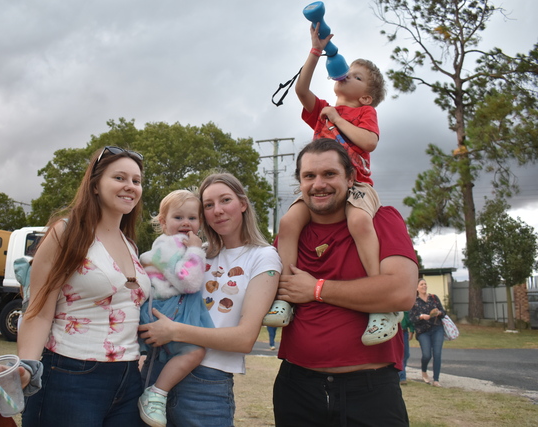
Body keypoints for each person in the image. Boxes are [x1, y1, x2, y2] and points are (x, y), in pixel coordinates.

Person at [269, 22, 399, 346]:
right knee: (288, 223)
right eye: (347, 71)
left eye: (356, 76)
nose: (347, 75)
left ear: (366, 95)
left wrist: (338, 119)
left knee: (359, 221)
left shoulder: (364, 112)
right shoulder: (323, 109)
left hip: (357, 185)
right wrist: (315, 50)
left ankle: (380, 304)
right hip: (319, 188)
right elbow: (301, 91)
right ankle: (284, 296)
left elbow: (369, 142)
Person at [272, 139, 418, 426]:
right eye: (309, 176)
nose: (319, 184)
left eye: (330, 174)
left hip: (370, 391)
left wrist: (316, 289)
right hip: (297, 386)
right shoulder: (290, 233)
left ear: (350, 178)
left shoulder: (381, 219)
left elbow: (401, 292)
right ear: (300, 183)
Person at [17, 146, 150, 427]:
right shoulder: (66, 233)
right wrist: (27, 365)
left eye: (136, 181)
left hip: (128, 379)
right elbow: (38, 312)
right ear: (95, 185)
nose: (130, 186)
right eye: (120, 178)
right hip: (70, 375)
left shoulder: (130, 244)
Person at [139, 172, 282, 427]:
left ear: (243, 204)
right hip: (156, 369)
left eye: (225, 200)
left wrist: (174, 331)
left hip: (207, 384)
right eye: (208, 205)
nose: (217, 210)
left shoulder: (263, 256)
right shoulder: (197, 252)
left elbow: (245, 339)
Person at [138, 189, 213, 427]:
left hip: (168, 307)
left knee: (185, 352)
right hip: (167, 309)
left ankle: (156, 391)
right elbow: (189, 282)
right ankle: (156, 394)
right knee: (194, 351)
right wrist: (196, 250)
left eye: (192, 218)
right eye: (178, 217)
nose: (185, 223)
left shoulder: (177, 244)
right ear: (163, 222)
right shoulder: (169, 245)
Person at [410, 278, 446, 387]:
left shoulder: (433, 298)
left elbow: (443, 312)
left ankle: (436, 380)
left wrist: (438, 313)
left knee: (437, 353)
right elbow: (411, 318)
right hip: (423, 332)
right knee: (427, 355)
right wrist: (421, 316)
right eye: (421, 284)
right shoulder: (414, 301)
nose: (424, 286)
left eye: (425, 284)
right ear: (417, 287)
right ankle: (424, 370)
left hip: (437, 328)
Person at [399, 311, 415, 385]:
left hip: (404, 332)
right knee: (400, 354)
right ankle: (402, 377)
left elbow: (409, 317)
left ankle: (400, 371)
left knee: (406, 354)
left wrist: (411, 330)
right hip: (394, 331)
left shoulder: (404, 309)